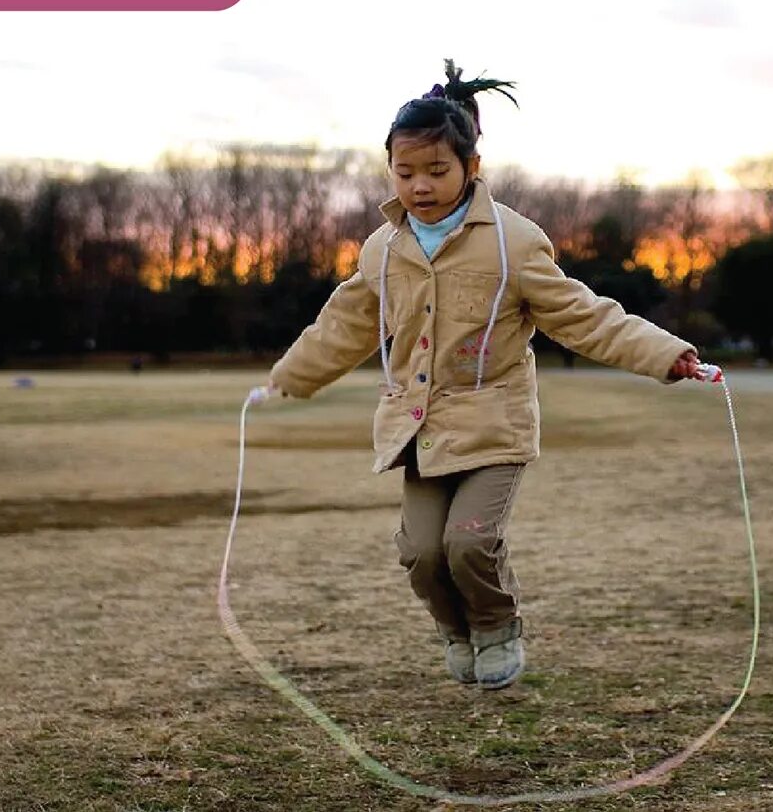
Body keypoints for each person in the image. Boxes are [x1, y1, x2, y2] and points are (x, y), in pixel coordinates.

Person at [267, 60, 705, 692]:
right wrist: (292, 376)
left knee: (468, 543)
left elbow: (585, 317)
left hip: (493, 423)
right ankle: (456, 630)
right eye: (405, 171)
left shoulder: (515, 243)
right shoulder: (381, 249)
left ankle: (497, 627)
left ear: (472, 168)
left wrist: (666, 354)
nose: (419, 185)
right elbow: (346, 323)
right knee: (421, 553)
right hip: (418, 428)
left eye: (436, 170)